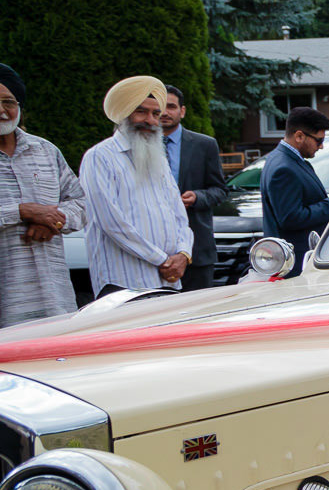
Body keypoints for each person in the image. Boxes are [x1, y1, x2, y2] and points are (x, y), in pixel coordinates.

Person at [79, 76, 194, 296]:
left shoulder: (157, 158)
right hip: (124, 282)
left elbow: (179, 215)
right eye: (141, 112)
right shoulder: (99, 157)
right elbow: (111, 223)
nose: (150, 120)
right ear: (123, 113)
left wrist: (183, 254)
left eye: (155, 114)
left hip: (168, 280)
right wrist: (162, 260)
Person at [0, 63, 86, 326]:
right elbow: (25, 211)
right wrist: (23, 211)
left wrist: (54, 220)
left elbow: (81, 202)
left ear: (20, 106)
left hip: (53, 297)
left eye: (8, 102)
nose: (2, 111)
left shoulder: (45, 151)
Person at [160, 84, 230, 290]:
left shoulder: (204, 145)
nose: (164, 113)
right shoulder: (139, 146)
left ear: (182, 111)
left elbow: (220, 190)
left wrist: (198, 197)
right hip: (155, 249)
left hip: (196, 248)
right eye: (159, 108)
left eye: (171, 107)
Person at [261, 107, 329, 270]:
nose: (321, 147)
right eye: (319, 141)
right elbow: (291, 218)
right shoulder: (284, 168)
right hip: (297, 264)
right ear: (299, 136)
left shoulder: (284, 160)